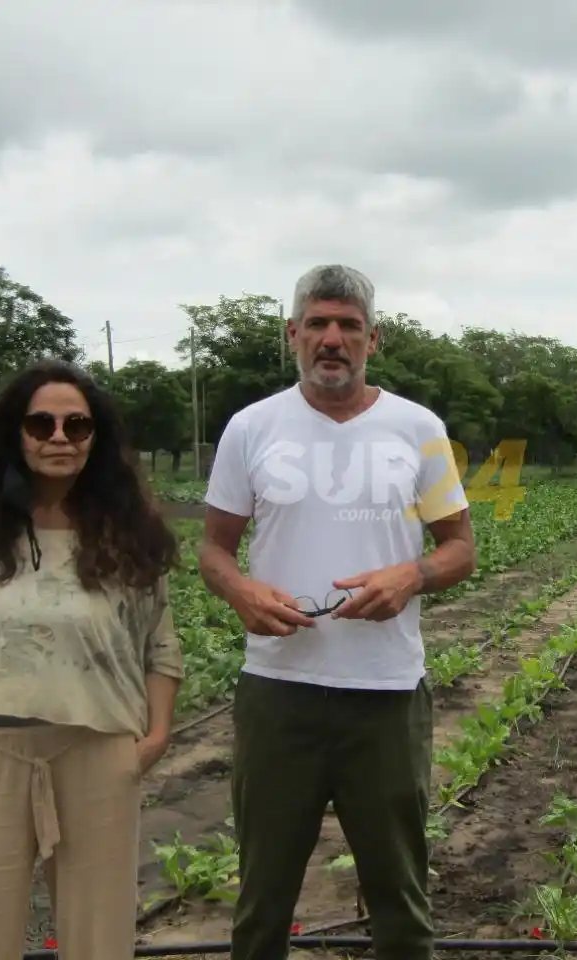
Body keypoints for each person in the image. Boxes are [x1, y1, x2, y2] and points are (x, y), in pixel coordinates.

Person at [199, 264, 478, 960]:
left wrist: (410, 576)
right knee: (262, 899)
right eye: (317, 324)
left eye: (348, 326)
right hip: (278, 696)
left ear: (372, 339)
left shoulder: (419, 428)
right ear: (292, 335)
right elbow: (213, 551)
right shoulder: (250, 428)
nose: (332, 339)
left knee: (400, 901)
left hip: (384, 697)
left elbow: (461, 549)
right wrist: (242, 591)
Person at [0, 358, 184, 960]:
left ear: (95, 438)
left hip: (97, 753)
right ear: (16, 433)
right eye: (42, 424)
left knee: (98, 940)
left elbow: (159, 643)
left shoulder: (125, 533)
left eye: (77, 426)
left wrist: (155, 736)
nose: (60, 438)